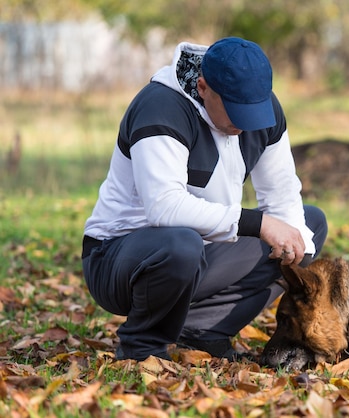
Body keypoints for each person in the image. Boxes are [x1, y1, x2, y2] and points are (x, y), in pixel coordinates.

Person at [81, 37, 328, 362]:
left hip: (201, 250)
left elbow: (282, 195)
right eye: (236, 111)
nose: (244, 124)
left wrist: (295, 251)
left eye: (252, 111)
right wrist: (260, 223)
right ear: (202, 87)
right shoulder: (161, 107)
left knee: (308, 225)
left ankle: (202, 332)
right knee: (182, 244)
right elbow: (164, 207)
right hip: (120, 259)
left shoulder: (260, 112)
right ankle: (142, 347)